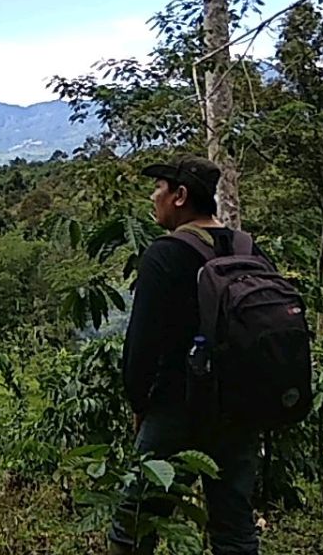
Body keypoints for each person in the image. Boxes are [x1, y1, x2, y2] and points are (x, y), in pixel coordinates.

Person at [109, 154, 263, 555]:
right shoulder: (247, 248)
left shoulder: (165, 253)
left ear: (180, 195)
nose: (152, 195)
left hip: (177, 408)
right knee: (235, 528)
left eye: (159, 188)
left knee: (135, 521)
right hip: (241, 410)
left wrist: (139, 404)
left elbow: (141, 344)